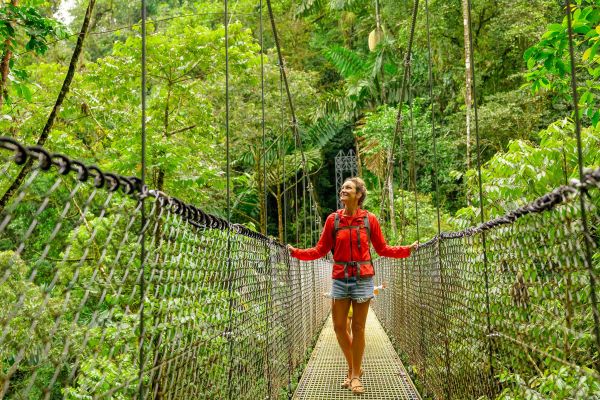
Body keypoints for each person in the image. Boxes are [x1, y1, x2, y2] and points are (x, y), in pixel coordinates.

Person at [287, 177, 417, 395]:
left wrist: (406, 250)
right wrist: (296, 253)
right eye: (343, 187)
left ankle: (355, 376)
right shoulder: (333, 220)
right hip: (340, 278)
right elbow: (320, 250)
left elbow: (382, 249)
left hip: (363, 279)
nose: (343, 190)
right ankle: (353, 367)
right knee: (339, 327)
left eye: (348, 187)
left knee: (358, 328)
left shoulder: (369, 219)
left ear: (358, 194)